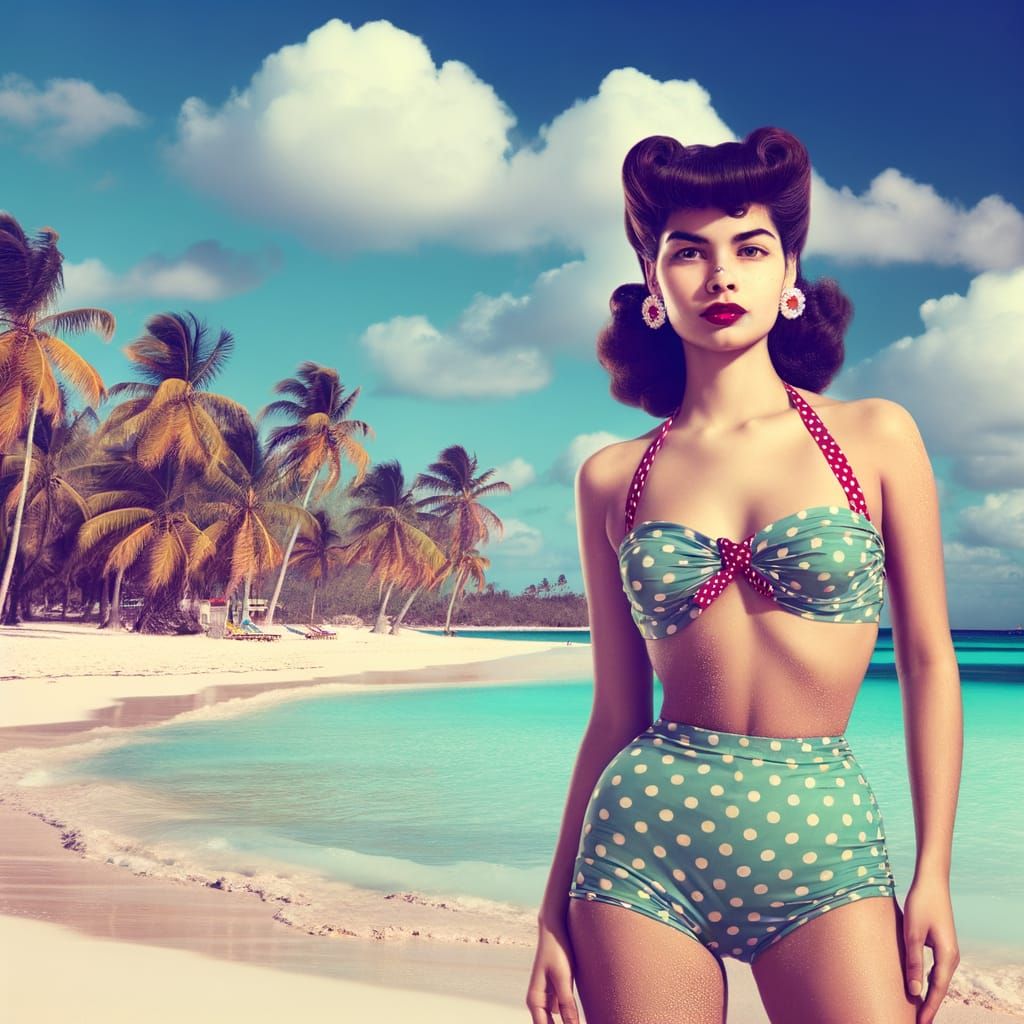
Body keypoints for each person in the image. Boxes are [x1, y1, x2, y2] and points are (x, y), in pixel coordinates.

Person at [525, 127, 962, 1024]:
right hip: (639, 852)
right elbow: (616, 710)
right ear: (653, 282)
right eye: (687, 253)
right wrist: (551, 904)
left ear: (788, 271)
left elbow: (928, 662)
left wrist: (935, 874)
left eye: (749, 248)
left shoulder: (875, 436)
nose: (720, 276)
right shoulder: (613, 475)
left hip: (825, 851)